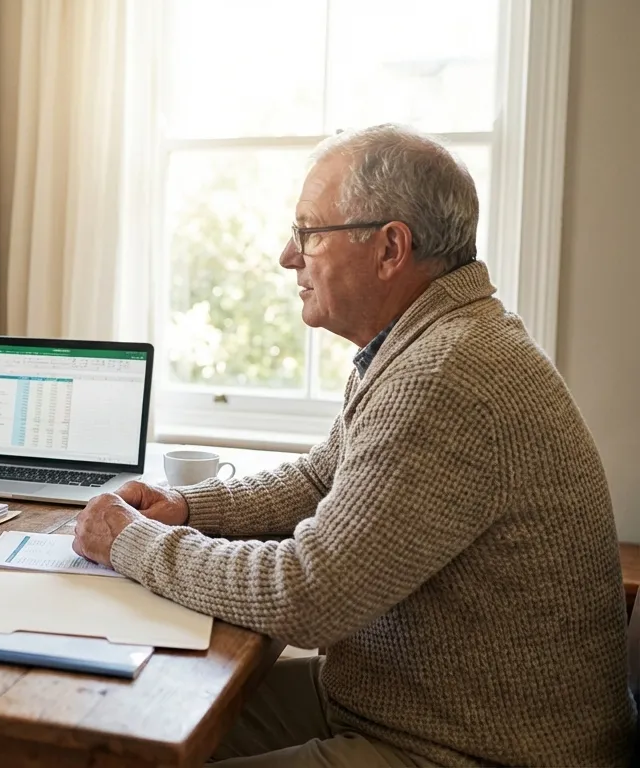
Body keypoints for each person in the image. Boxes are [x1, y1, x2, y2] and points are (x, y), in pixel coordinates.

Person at [72, 124, 636, 766]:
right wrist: (188, 508)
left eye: (309, 233)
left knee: (121, 739)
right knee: (123, 729)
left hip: (471, 750)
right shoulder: (421, 340)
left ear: (390, 248)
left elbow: (305, 595)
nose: (289, 256)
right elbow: (321, 479)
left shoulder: (444, 374)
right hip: (397, 703)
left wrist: (131, 540)